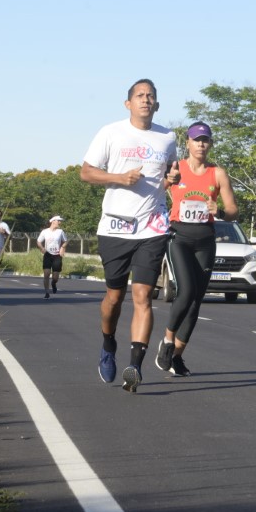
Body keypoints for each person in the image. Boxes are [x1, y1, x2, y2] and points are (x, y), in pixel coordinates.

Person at [80, 78, 180, 393]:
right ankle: (108, 343)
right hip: (115, 227)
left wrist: (173, 177)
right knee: (114, 297)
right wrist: (119, 178)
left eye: (150, 96)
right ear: (128, 103)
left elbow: (170, 174)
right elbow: (86, 172)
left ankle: (134, 366)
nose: (145, 99)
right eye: (139, 95)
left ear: (157, 104)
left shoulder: (167, 137)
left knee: (143, 296)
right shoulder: (110, 132)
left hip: (152, 226)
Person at [156, 121, 239, 377]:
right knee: (186, 291)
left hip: (205, 240)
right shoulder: (176, 168)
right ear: (188, 143)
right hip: (179, 237)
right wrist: (166, 181)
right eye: (196, 140)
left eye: (205, 140)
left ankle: (177, 356)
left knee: (195, 303)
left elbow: (233, 211)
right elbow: (154, 193)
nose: (201, 144)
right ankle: (167, 341)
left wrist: (220, 211)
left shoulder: (218, 173)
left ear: (210, 144)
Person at [36, 215, 69, 298]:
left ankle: (53, 283)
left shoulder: (60, 232)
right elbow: (38, 242)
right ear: (53, 221)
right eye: (58, 221)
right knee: (46, 274)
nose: (60, 222)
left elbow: (65, 241)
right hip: (47, 254)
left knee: (55, 277)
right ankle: (47, 292)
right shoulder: (45, 231)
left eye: (60, 221)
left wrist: (62, 248)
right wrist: (42, 248)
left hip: (57, 255)